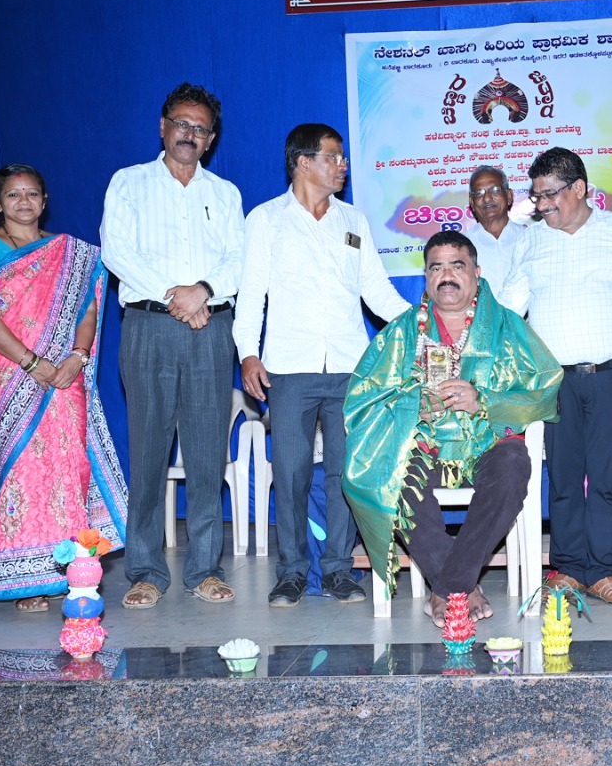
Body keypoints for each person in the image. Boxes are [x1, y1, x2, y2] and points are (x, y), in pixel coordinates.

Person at [342, 231, 561, 621]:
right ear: (426, 277)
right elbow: (364, 398)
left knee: (513, 466)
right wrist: (412, 408)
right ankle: (463, 587)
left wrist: (484, 400)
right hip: (424, 446)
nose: (446, 276)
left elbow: (544, 390)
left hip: (489, 442)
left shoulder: (508, 328)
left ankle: (448, 589)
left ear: (476, 273)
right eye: (436, 268)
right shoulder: (402, 332)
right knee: (393, 474)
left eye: (457, 266)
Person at [235, 123, 410, 608]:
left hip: (352, 367)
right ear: (303, 162)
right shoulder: (266, 220)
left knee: (344, 474)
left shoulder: (353, 220)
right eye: (333, 156)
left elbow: (375, 290)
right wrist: (248, 352)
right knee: (291, 473)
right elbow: (251, 294)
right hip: (289, 367)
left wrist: (423, 323)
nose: (342, 165)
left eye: (342, 157)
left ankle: (337, 569)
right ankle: (292, 572)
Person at [497, 147, 612, 606]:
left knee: (608, 478)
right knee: (564, 479)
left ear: (579, 189)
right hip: (555, 382)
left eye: (549, 195)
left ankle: (606, 570)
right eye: (536, 197)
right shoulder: (531, 241)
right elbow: (509, 311)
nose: (541, 205)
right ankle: (569, 569)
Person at [100, 83, 244, 608]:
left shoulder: (224, 193)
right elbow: (118, 252)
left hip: (211, 329)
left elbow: (238, 260)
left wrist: (202, 291)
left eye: (200, 129)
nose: (189, 134)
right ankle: (144, 570)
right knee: (148, 452)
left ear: (211, 139)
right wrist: (175, 296)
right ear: (163, 127)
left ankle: (204, 569)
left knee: (207, 455)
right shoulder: (129, 183)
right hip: (149, 326)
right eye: (182, 124)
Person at [0, 165, 127, 608]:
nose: (23, 202)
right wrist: (31, 362)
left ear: (44, 199)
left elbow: (87, 313)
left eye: (32, 193)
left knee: (67, 472)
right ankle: (27, 580)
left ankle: (72, 570)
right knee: (21, 472)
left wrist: (77, 357)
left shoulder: (70, 254)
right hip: (9, 375)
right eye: (13, 195)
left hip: (63, 376)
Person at [464, 165, 527, 288]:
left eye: (495, 190)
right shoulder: (463, 245)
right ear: (472, 202)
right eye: (479, 193)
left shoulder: (529, 237)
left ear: (509, 196)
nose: (487, 198)